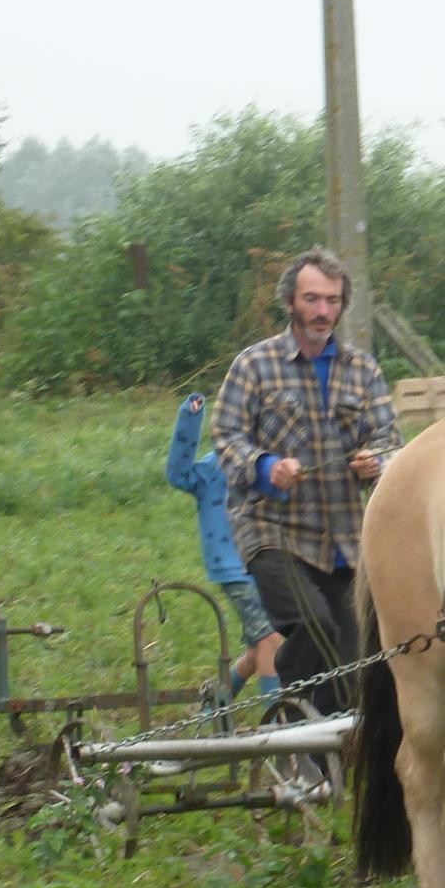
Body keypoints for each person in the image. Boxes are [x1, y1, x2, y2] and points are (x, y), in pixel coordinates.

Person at [211, 247, 398, 712]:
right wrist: (264, 466)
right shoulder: (254, 365)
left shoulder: (363, 370)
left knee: (352, 662)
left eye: (332, 300)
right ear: (291, 302)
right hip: (273, 534)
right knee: (315, 626)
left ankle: (321, 756)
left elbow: (390, 438)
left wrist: (377, 460)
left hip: (346, 541)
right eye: (312, 299)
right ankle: (290, 719)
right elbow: (226, 436)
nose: (322, 311)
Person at [166, 392, 284, 698]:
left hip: (268, 561)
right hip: (233, 569)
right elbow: (177, 473)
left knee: (262, 647)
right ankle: (280, 725)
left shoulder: (271, 466)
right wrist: (189, 418)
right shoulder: (211, 468)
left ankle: (216, 700)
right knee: (270, 641)